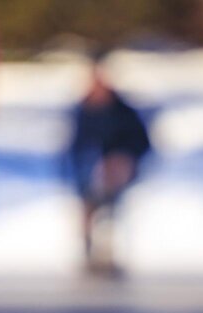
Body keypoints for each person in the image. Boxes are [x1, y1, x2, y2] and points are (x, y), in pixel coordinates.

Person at [67, 56, 151, 275]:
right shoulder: (83, 111)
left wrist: (122, 157)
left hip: (114, 173)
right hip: (87, 173)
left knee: (110, 204)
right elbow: (73, 146)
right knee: (87, 204)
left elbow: (141, 142)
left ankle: (109, 252)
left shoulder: (123, 112)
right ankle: (89, 251)